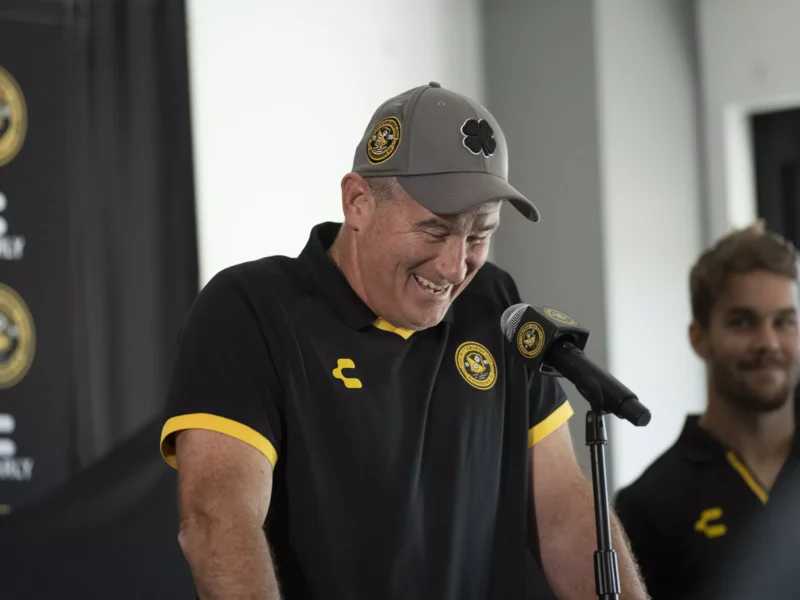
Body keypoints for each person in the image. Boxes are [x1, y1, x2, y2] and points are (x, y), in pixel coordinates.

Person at [159, 81, 648, 600]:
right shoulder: (251, 309)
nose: (456, 266)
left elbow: (562, 512)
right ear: (358, 203)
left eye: (479, 235)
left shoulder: (495, 305)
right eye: (436, 231)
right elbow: (217, 519)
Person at [614, 221, 800, 599]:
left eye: (784, 322)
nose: (768, 342)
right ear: (699, 338)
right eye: (742, 322)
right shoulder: (650, 504)